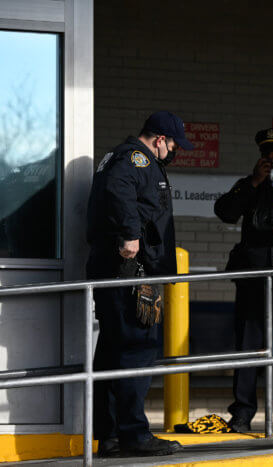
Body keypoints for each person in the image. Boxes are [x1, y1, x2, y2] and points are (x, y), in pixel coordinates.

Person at [86, 111, 193, 457]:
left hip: (123, 271)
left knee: (115, 352)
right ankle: (133, 434)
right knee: (137, 349)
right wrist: (130, 234)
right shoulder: (134, 158)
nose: (174, 150)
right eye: (173, 143)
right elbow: (119, 190)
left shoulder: (128, 159)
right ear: (159, 139)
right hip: (130, 273)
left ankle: (112, 434)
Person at [213, 128, 273, 432]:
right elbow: (224, 211)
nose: (271, 157)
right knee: (248, 347)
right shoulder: (251, 185)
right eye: (267, 152)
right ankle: (243, 411)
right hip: (253, 279)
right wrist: (253, 182)